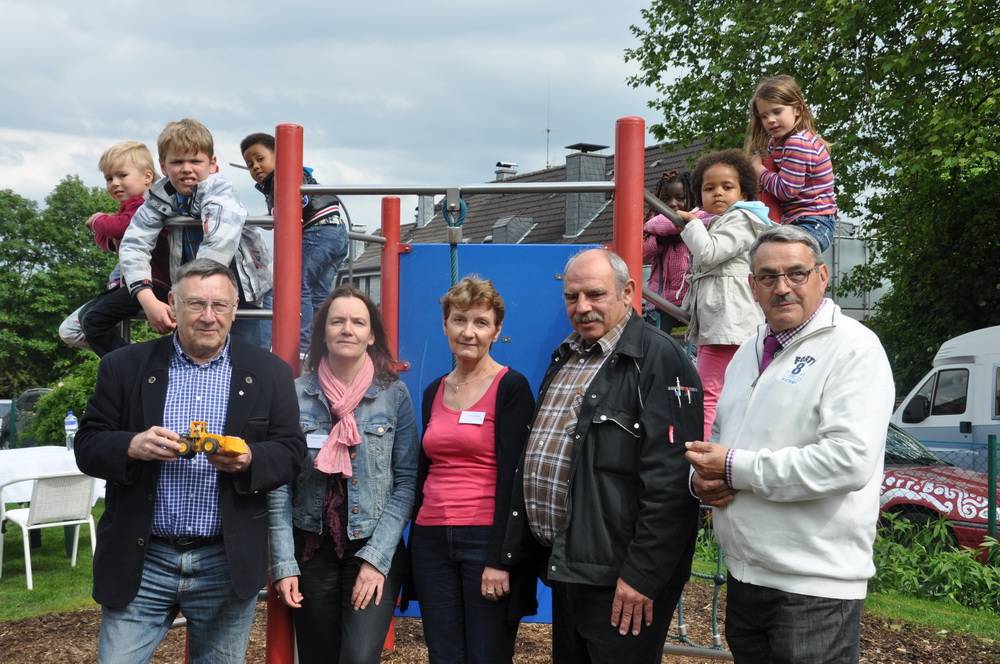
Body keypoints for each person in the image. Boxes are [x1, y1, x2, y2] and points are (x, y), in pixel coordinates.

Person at [73, 259, 307, 664]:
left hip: (225, 560)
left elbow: (292, 452)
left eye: (220, 305)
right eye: (196, 304)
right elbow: (87, 445)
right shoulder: (124, 367)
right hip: (143, 558)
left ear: (235, 308)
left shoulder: (269, 372)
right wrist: (132, 445)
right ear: (173, 303)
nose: (208, 316)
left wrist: (250, 458)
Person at [685, 225, 894, 664]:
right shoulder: (748, 351)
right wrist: (701, 480)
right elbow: (722, 439)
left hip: (814, 586)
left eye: (796, 273)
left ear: (822, 276)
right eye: (768, 277)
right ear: (752, 286)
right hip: (747, 574)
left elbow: (847, 462)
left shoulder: (855, 349)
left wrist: (733, 468)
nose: (782, 287)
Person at [502, 248, 703, 664]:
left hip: (621, 579)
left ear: (627, 292)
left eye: (595, 294)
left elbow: (672, 484)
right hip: (572, 566)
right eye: (571, 297)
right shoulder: (568, 355)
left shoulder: (658, 360)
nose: (582, 307)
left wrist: (642, 575)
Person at [267, 284, 418, 664]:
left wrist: (376, 559)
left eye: (358, 322)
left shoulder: (394, 396)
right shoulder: (295, 395)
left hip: (370, 546)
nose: (347, 329)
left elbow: (406, 482)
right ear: (323, 333)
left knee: (358, 658)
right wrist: (283, 563)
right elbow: (279, 486)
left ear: (371, 335)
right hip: (311, 549)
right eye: (337, 321)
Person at [408, 277, 536, 663]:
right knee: (443, 654)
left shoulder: (511, 387)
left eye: (481, 322)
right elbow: (425, 468)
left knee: (487, 654)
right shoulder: (434, 391)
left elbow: (516, 478)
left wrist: (501, 558)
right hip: (431, 539)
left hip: (485, 539)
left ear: (496, 330)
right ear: (445, 325)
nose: (469, 332)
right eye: (459, 320)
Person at [118, 118, 273, 349]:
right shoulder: (158, 199)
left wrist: (189, 298)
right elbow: (133, 244)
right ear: (163, 166)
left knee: (247, 356)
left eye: (195, 161)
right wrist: (147, 299)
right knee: (197, 352)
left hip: (247, 294)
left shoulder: (220, 193)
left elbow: (217, 245)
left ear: (212, 164)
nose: (186, 168)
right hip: (196, 295)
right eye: (177, 161)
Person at [671, 149, 773, 438]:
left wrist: (691, 223)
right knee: (719, 391)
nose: (718, 193)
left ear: (743, 193)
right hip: (720, 321)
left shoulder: (742, 219)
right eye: (709, 188)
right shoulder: (721, 220)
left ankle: (702, 451)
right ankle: (718, 444)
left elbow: (708, 252)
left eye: (727, 187)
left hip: (728, 321)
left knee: (708, 393)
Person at [58, 141, 172, 356]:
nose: (115, 183)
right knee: (77, 326)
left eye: (122, 175)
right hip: (134, 282)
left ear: (147, 177)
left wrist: (97, 220)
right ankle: (132, 357)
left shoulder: (147, 205)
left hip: (153, 283)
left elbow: (117, 227)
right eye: (109, 178)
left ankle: (130, 364)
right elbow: (108, 239)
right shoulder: (128, 208)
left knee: (93, 321)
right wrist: (107, 230)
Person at [241, 132, 349, 357]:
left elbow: (295, 204)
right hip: (336, 233)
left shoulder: (286, 174)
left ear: (279, 156)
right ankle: (322, 343)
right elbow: (279, 216)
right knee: (318, 292)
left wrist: (270, 214)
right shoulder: (277, 181)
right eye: (250, 165)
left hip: (318, 232)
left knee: (298, 285)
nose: (256, 167)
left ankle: (302, 346)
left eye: (260, 159)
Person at [745, 75, 838, 251]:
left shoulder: (797, 143)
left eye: (777, 111)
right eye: (764, 116)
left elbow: (787, 190)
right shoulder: (776, 143)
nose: (770, 120)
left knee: (783, 254)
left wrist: (759, 170)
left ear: (797, 109)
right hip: (797, 221)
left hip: (814, 222)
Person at [641, 170, 694, 335]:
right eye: (666, 199)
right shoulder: (654, 227)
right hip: (661, 298)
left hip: (690, 298)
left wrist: (677, 227)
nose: (672, 204)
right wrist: (659, 241)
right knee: (653, 336)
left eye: (680, 198)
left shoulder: (697, 223)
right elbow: (640, 253)